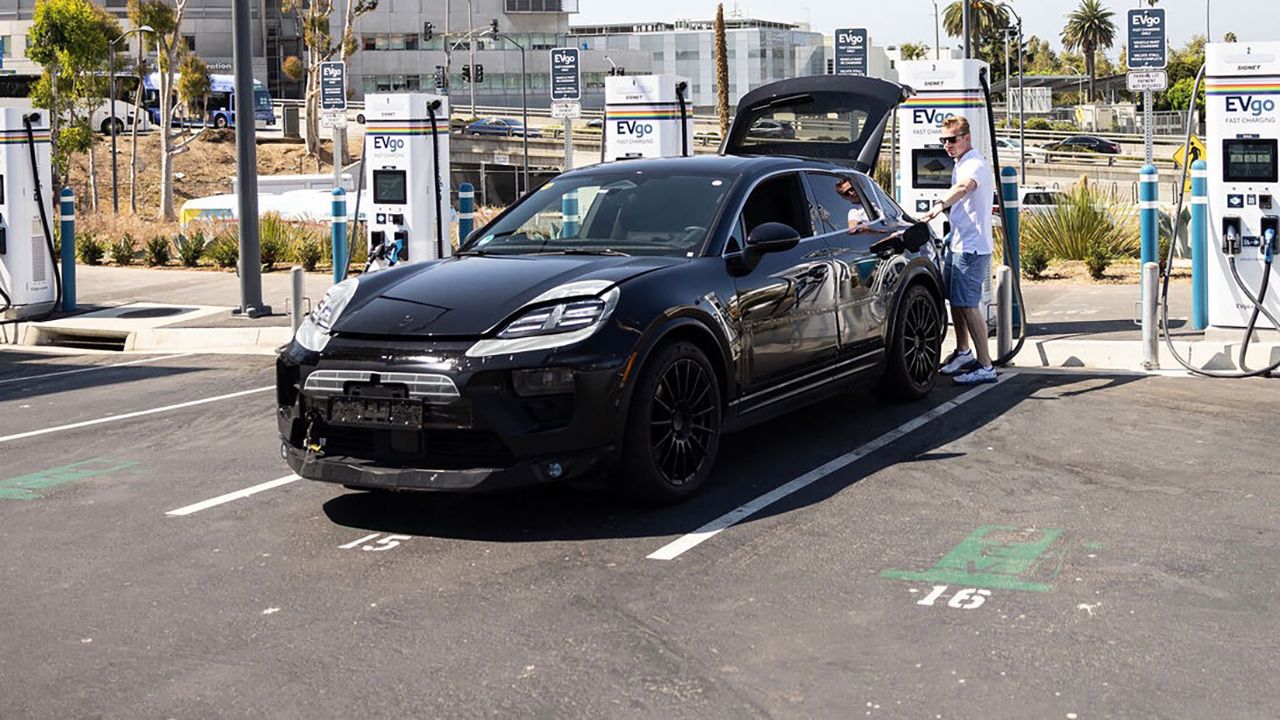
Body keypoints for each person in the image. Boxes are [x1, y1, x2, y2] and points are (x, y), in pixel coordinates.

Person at [922, 116, 997, 385]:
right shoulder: (960, 163)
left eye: (952, 139)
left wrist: (938, 206)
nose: (947, 145)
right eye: (943, 140)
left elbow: (965, 188)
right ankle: (964, 352)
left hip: (972, 247)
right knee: (955, 300)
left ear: (966, 137)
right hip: (957, 242)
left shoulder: (975, 164)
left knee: (968, 304)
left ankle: (986, 366)